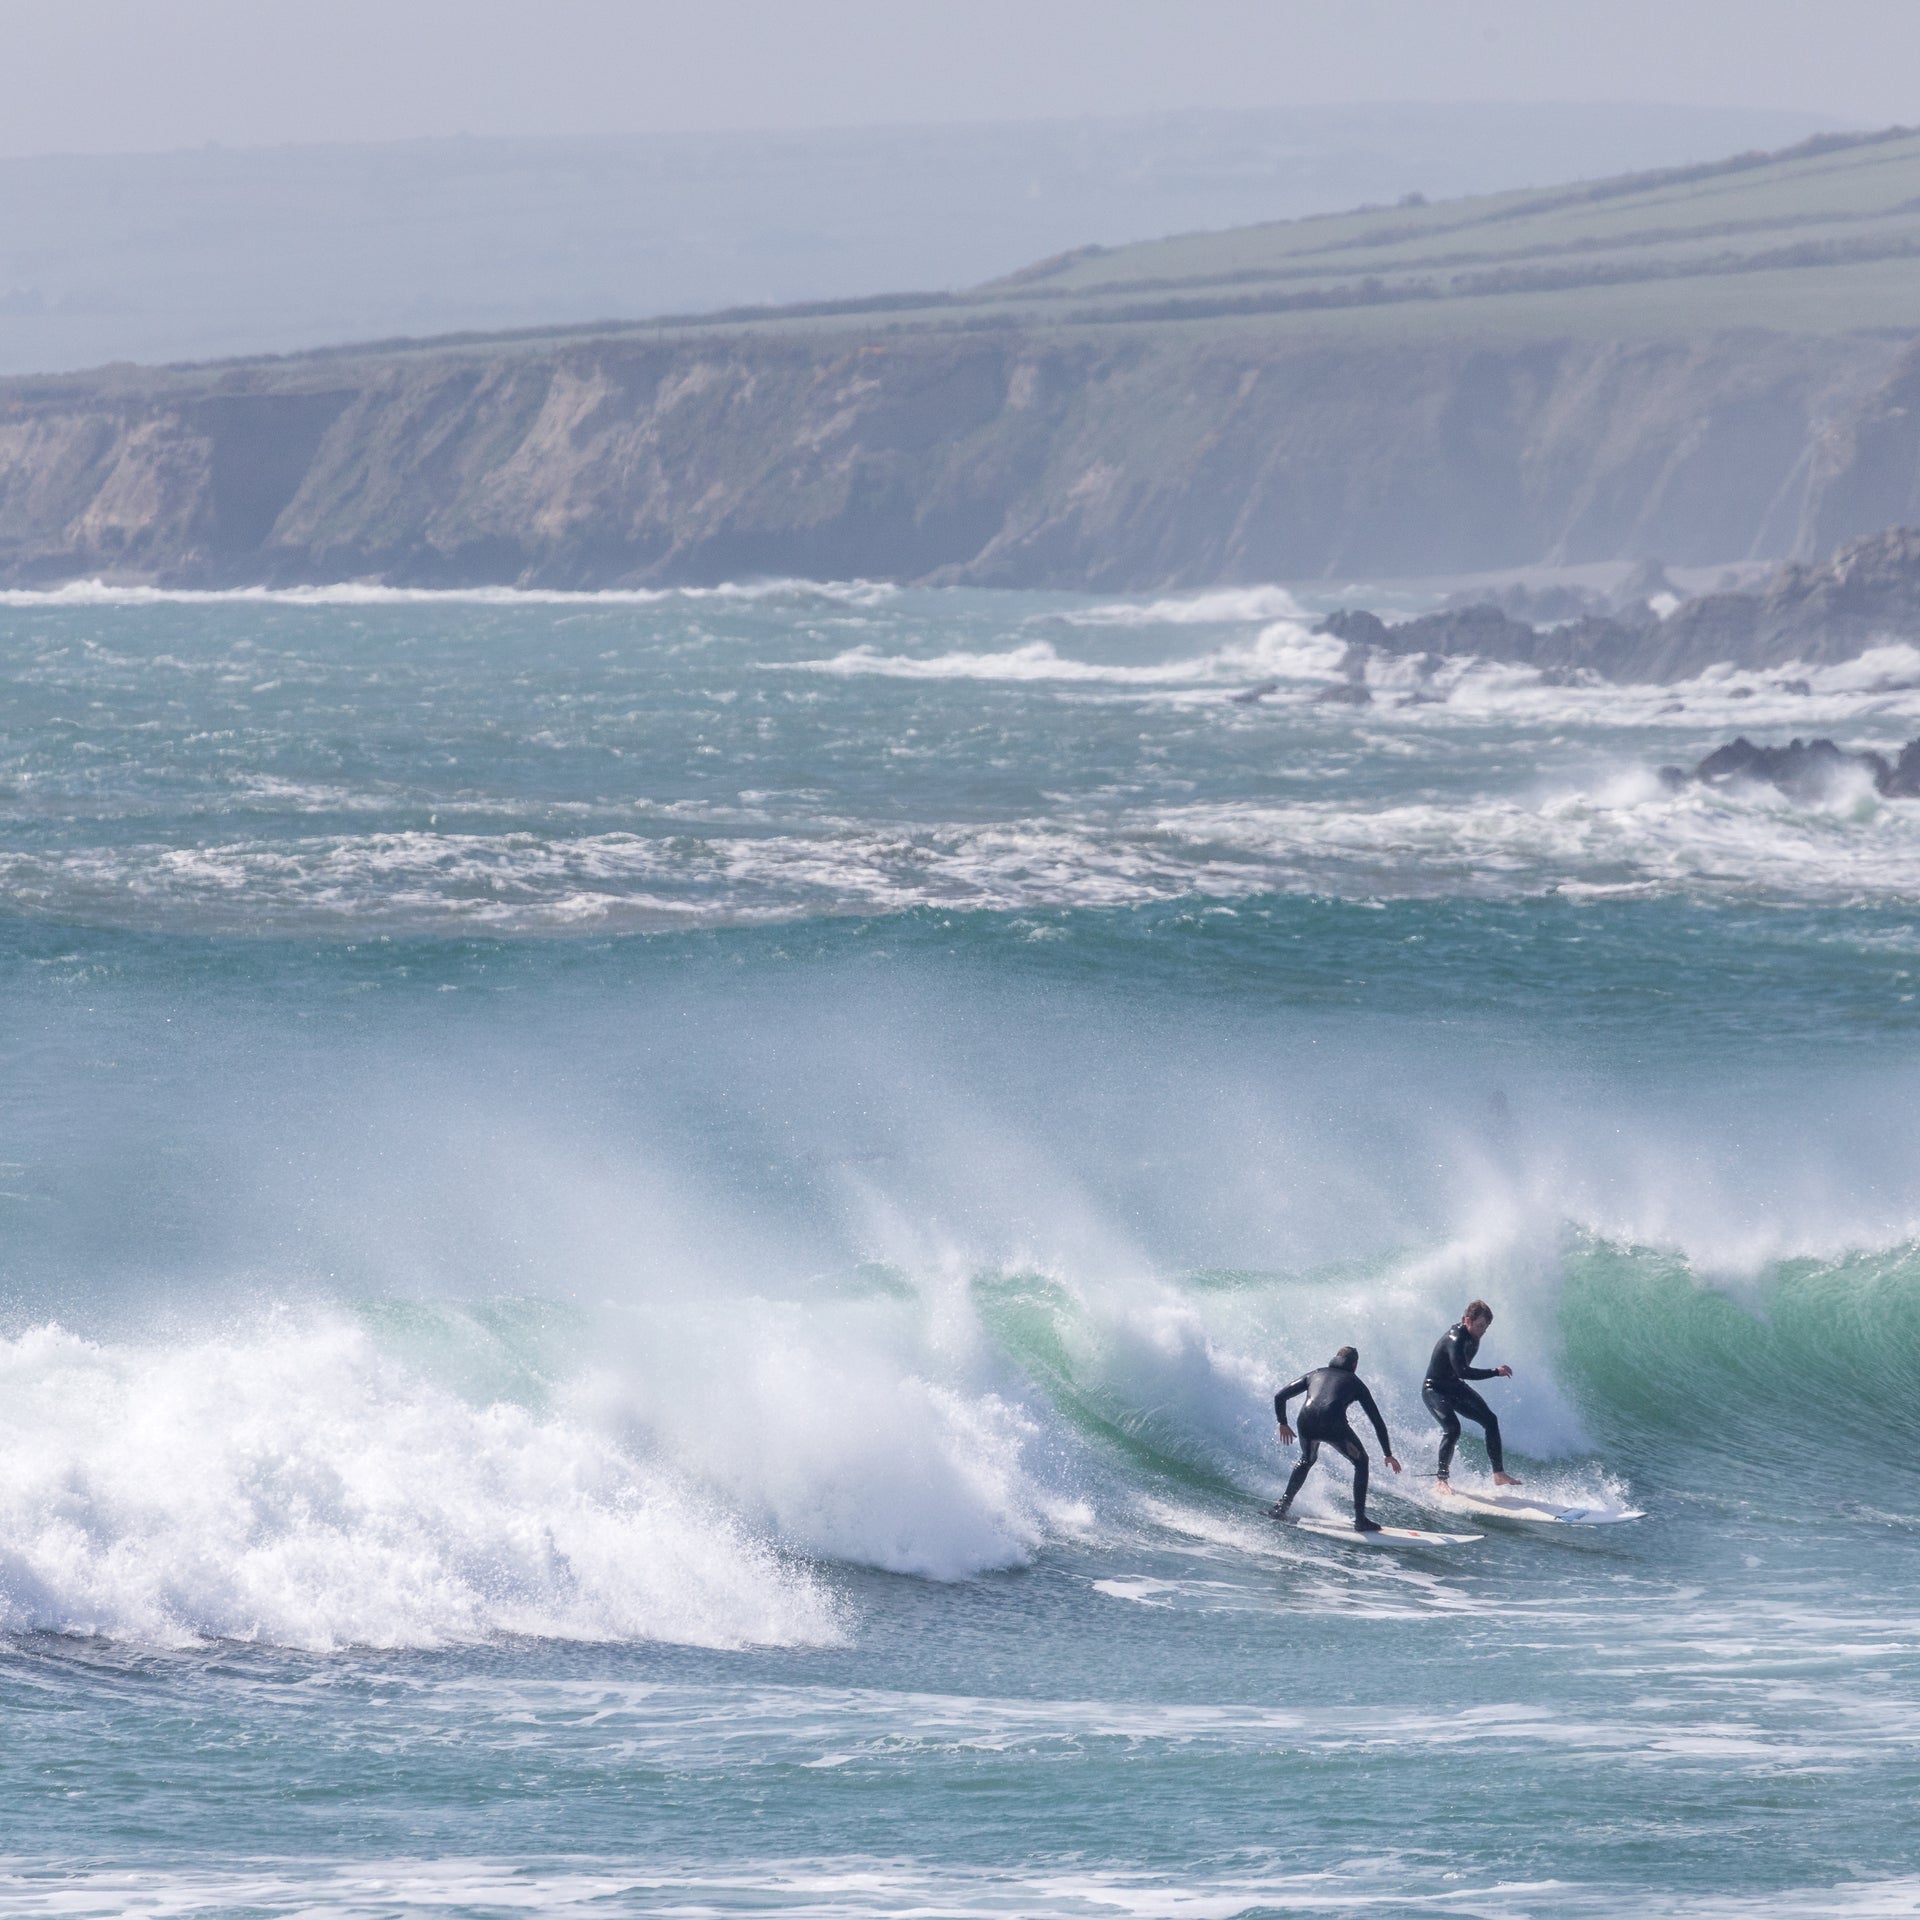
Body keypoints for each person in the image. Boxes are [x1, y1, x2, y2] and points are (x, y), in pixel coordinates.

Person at [1270, 1346, 1402, 1532]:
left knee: (1307, 1459)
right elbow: (1377, 1422)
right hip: (1333, 1424)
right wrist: (1388, 1454)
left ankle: (1281, 1507)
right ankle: (1360, 1520)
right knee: (1361, 1461)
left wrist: (1283, 1423)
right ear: (1355, 1364)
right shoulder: (1356, 1383)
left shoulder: (1316, 1373)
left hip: (1305, 1420)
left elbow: (1279, 1396)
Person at [1423, 1299, 1520, 1491]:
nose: (1482, 1331)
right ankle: (1441, 1480)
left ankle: (1498, 1474)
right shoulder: (1456, 1338)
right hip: (1434, 1389)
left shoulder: (1474, 1337)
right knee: (1452, 1429)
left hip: (1454, 1387)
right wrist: (1495, 1371)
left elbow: (1458, 1376)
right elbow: (1462, 1371)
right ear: (1467, 1320)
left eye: (1486, 1327)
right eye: (1480, 1326)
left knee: (1490, 1420)